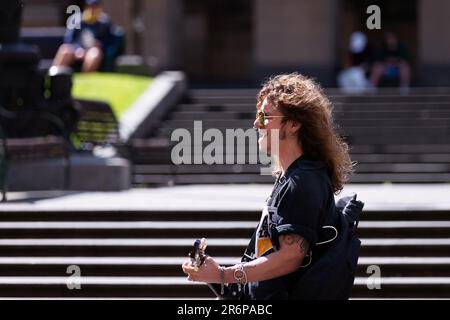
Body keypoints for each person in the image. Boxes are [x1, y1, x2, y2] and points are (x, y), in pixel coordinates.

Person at [182, 73, 354, 299]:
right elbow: (267, 259)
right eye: (257, 115)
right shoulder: (291, 177)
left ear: (293, 124)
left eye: (265, 116)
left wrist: (224, 275)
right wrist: (218, 280)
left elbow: (290, 258)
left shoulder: (303, 181)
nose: (256, 123)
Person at [52, 0, 113, 72]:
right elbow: (68, 40)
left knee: (94, 54)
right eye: (91, 6)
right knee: (65, 50)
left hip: (91, 51)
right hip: (76, 50)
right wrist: (77, 49)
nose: (93, 9)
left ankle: (85, 79)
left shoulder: (104, 23)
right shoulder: (76, 20)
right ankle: (54, 75)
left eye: (96, 6)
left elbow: (109, 41)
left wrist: (99, 45)